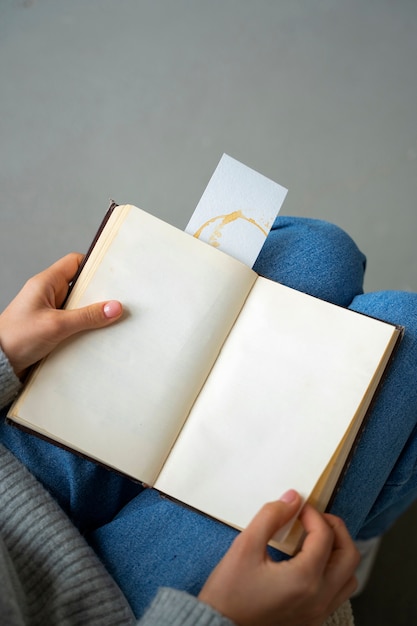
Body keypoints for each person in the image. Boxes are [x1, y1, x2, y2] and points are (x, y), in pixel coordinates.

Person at [0, 216, 416, 625]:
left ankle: (354, 522)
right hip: (102, 610)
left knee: (317, 248)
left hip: (11, 480)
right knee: (407, 330)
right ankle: (352, 536)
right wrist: (216, 618)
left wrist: (5, 351)